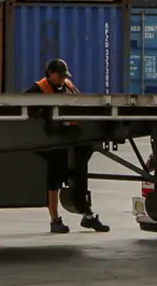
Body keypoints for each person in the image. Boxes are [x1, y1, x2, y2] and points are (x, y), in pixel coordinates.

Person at [33, 58, 111, 235]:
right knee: (53, 179)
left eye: (64, 76)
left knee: (80, 173)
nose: (62, 79)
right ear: (50, 74)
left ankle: (87, 215)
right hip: (52, 141)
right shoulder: (39, 89)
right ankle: (55, 220)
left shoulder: (68, 85)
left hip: (73, 139)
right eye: (59, 76)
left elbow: (81, 103)